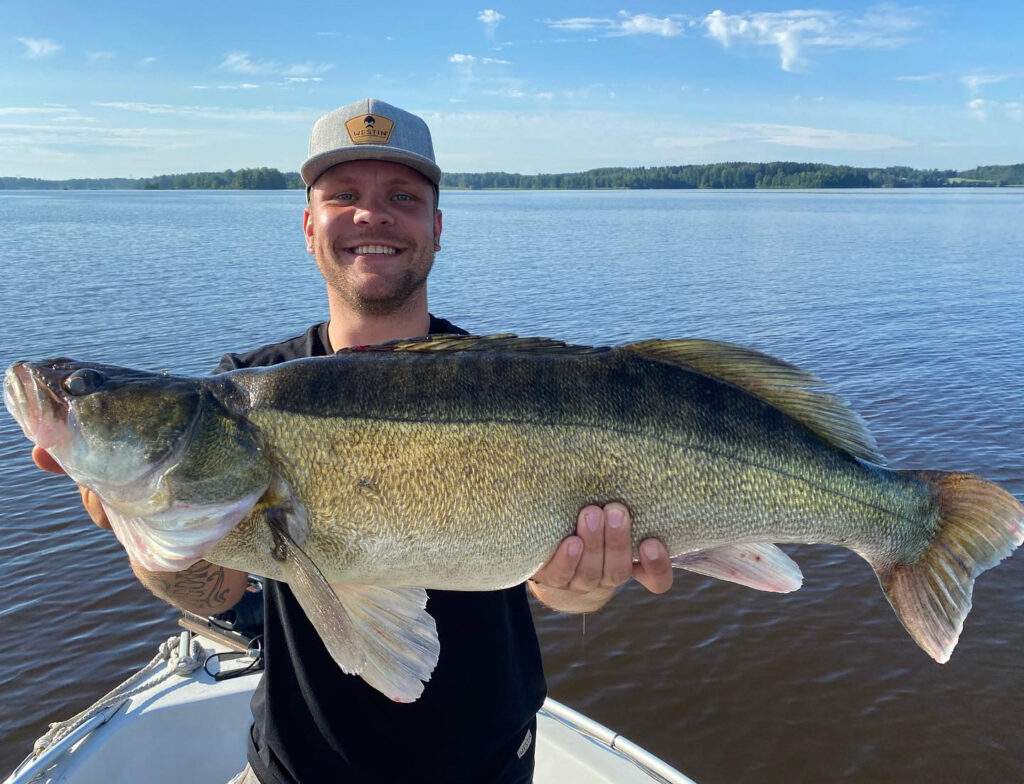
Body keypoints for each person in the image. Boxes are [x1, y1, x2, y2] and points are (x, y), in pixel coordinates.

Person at [32, 98, 674, 784]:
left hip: (490, 766)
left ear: (436, 227)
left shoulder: (507, 382)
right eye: (343, 195)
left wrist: (582, 587)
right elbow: (216, 593)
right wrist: (143, 523)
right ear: (309, 225)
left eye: (402, 196)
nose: (372, 214)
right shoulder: (241, 387)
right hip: (296, 769)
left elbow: (552, 585)